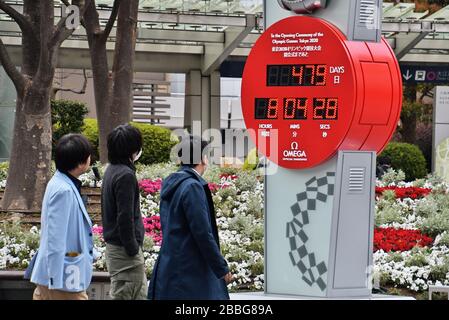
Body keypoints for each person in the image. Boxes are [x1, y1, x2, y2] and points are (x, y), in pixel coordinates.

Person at [148, 135, 234, 300]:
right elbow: (202, 232)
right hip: (190, 272)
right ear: (202, 158)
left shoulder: (173, 184)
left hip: (172, 266)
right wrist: (221, 267)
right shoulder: (192, 186)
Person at [30, 134, 94, 300]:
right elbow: (55, 238)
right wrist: (54, 278)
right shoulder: (64, 190)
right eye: (88, 155)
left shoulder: (60, 181)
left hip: (58, 275)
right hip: (62, 279)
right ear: (81, 163)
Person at [101, 124, 147, 300]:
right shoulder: (125, 175)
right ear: (133, 149)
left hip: (117, 251)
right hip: (125, 255)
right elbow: (125, 217)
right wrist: (133, 248)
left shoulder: (111, 171)